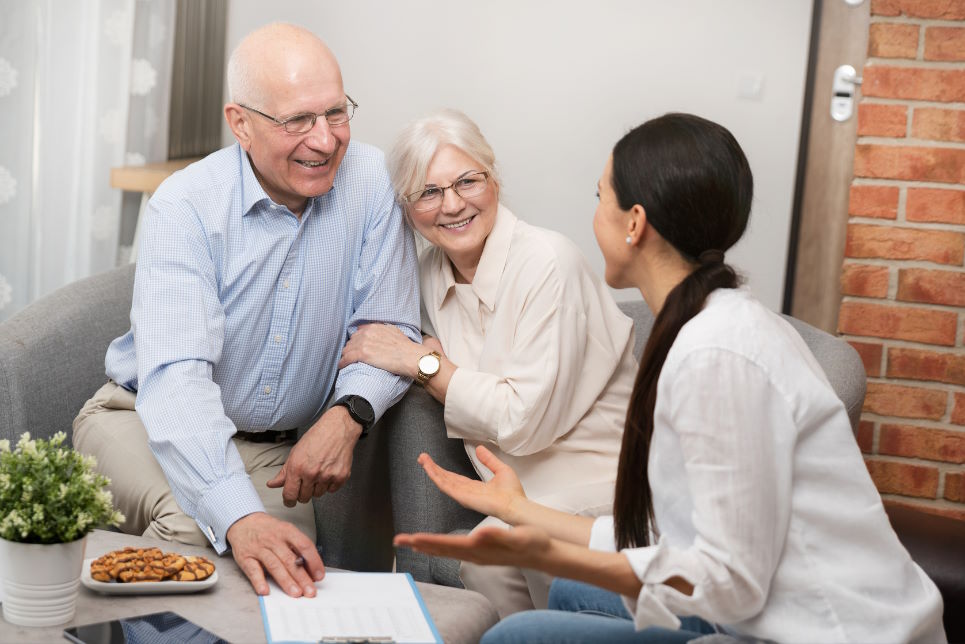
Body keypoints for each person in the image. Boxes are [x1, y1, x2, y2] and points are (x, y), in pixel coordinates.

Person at [394, 113, 947, 642]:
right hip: (766, 606)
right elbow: (678, 535)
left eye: (599, 198)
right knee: (562, 598)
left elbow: (730, 586)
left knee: (521, 633)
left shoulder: (718, 358)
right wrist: (523, 513)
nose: (592, 217)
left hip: (822, 630)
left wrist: (549, 551)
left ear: (634, 224)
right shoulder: (709, 324)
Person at [72, 23, 421, 599]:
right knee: (200, 536)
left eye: (336, 113)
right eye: (297, 121)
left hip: (268, 445)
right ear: (241, 124)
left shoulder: (371, 183)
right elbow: (177, 383)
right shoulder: (185, 207)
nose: (326, 140)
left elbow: (388, 328)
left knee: (290, 575)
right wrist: (237, 517)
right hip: (138, 416)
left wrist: (348, 413)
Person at [337, 109, 638, 616]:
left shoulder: (549, 262)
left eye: (467, 181)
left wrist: (426, 365)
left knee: (495, 553)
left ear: (492, 177)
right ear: (407, 209)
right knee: (487, 557)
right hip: (512, 489)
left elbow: (522, 424)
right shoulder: (429, 270)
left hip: (596, 482)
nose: (452, 205)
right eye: (428, 193)